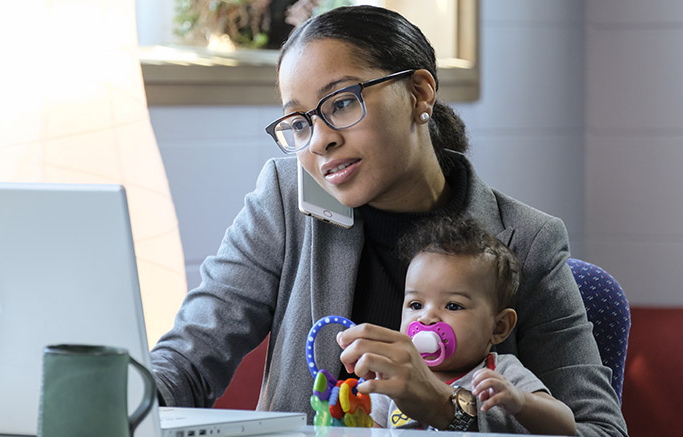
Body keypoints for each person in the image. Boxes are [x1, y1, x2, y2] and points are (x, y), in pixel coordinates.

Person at [150, 5, 627, 436]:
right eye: (298, 122)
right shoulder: (287, 197)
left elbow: (600, 431)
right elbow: (188, 361)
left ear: (420, 93)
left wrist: (447, 407)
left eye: (340, 103)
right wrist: (115, 397)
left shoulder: (528, 240)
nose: (318, 142)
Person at [361, 217, 575, 434]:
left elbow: (566, 426)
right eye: (416, 304)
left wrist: (520, 402)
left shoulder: (499, 374)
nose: (426, 318)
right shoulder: (395, 374)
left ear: (499, 327)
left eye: (453, 306)